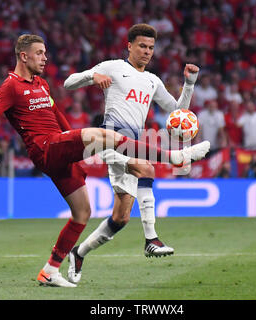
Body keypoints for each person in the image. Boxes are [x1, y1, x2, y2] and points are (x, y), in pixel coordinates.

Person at [0, 34, 210, 288]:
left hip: (60, 147)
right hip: (46, 147)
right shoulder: (11, 86)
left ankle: (51, 270)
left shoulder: (41, 84)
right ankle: (175, 158)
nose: (45, 58)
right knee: (105, 135)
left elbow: (55, 113)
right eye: (40, 53)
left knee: (83, 213)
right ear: (24, 56)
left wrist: (75, 144)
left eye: (45, 52)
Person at [63, 24, 200, 284]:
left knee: (121, 217)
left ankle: (78, 253)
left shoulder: (152, 81)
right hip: (111, 137)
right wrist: (92, 78)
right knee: (147, 168)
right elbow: (68, 83)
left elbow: (177, 112)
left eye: (151, 48)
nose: (147, 52)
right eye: (142, 46)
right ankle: (151, 238)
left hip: (135, 140)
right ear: (129, 46)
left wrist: (189, 84)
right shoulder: (113, 67)